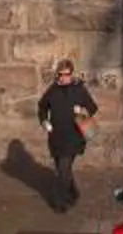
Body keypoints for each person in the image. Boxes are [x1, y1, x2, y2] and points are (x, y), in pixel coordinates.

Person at [37, 58, 98, 215]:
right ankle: (74, 193)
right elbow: (42, 107)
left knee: (64, 169)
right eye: (61, 74)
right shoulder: (52, 90)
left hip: (73, 137)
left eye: (67, 74)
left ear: (71, 74)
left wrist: (83, 111)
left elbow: (93, 107)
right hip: (56, 137)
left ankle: (60, 202)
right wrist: (44, 121)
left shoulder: (79, 90)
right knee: (63, 169)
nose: (64, 77)